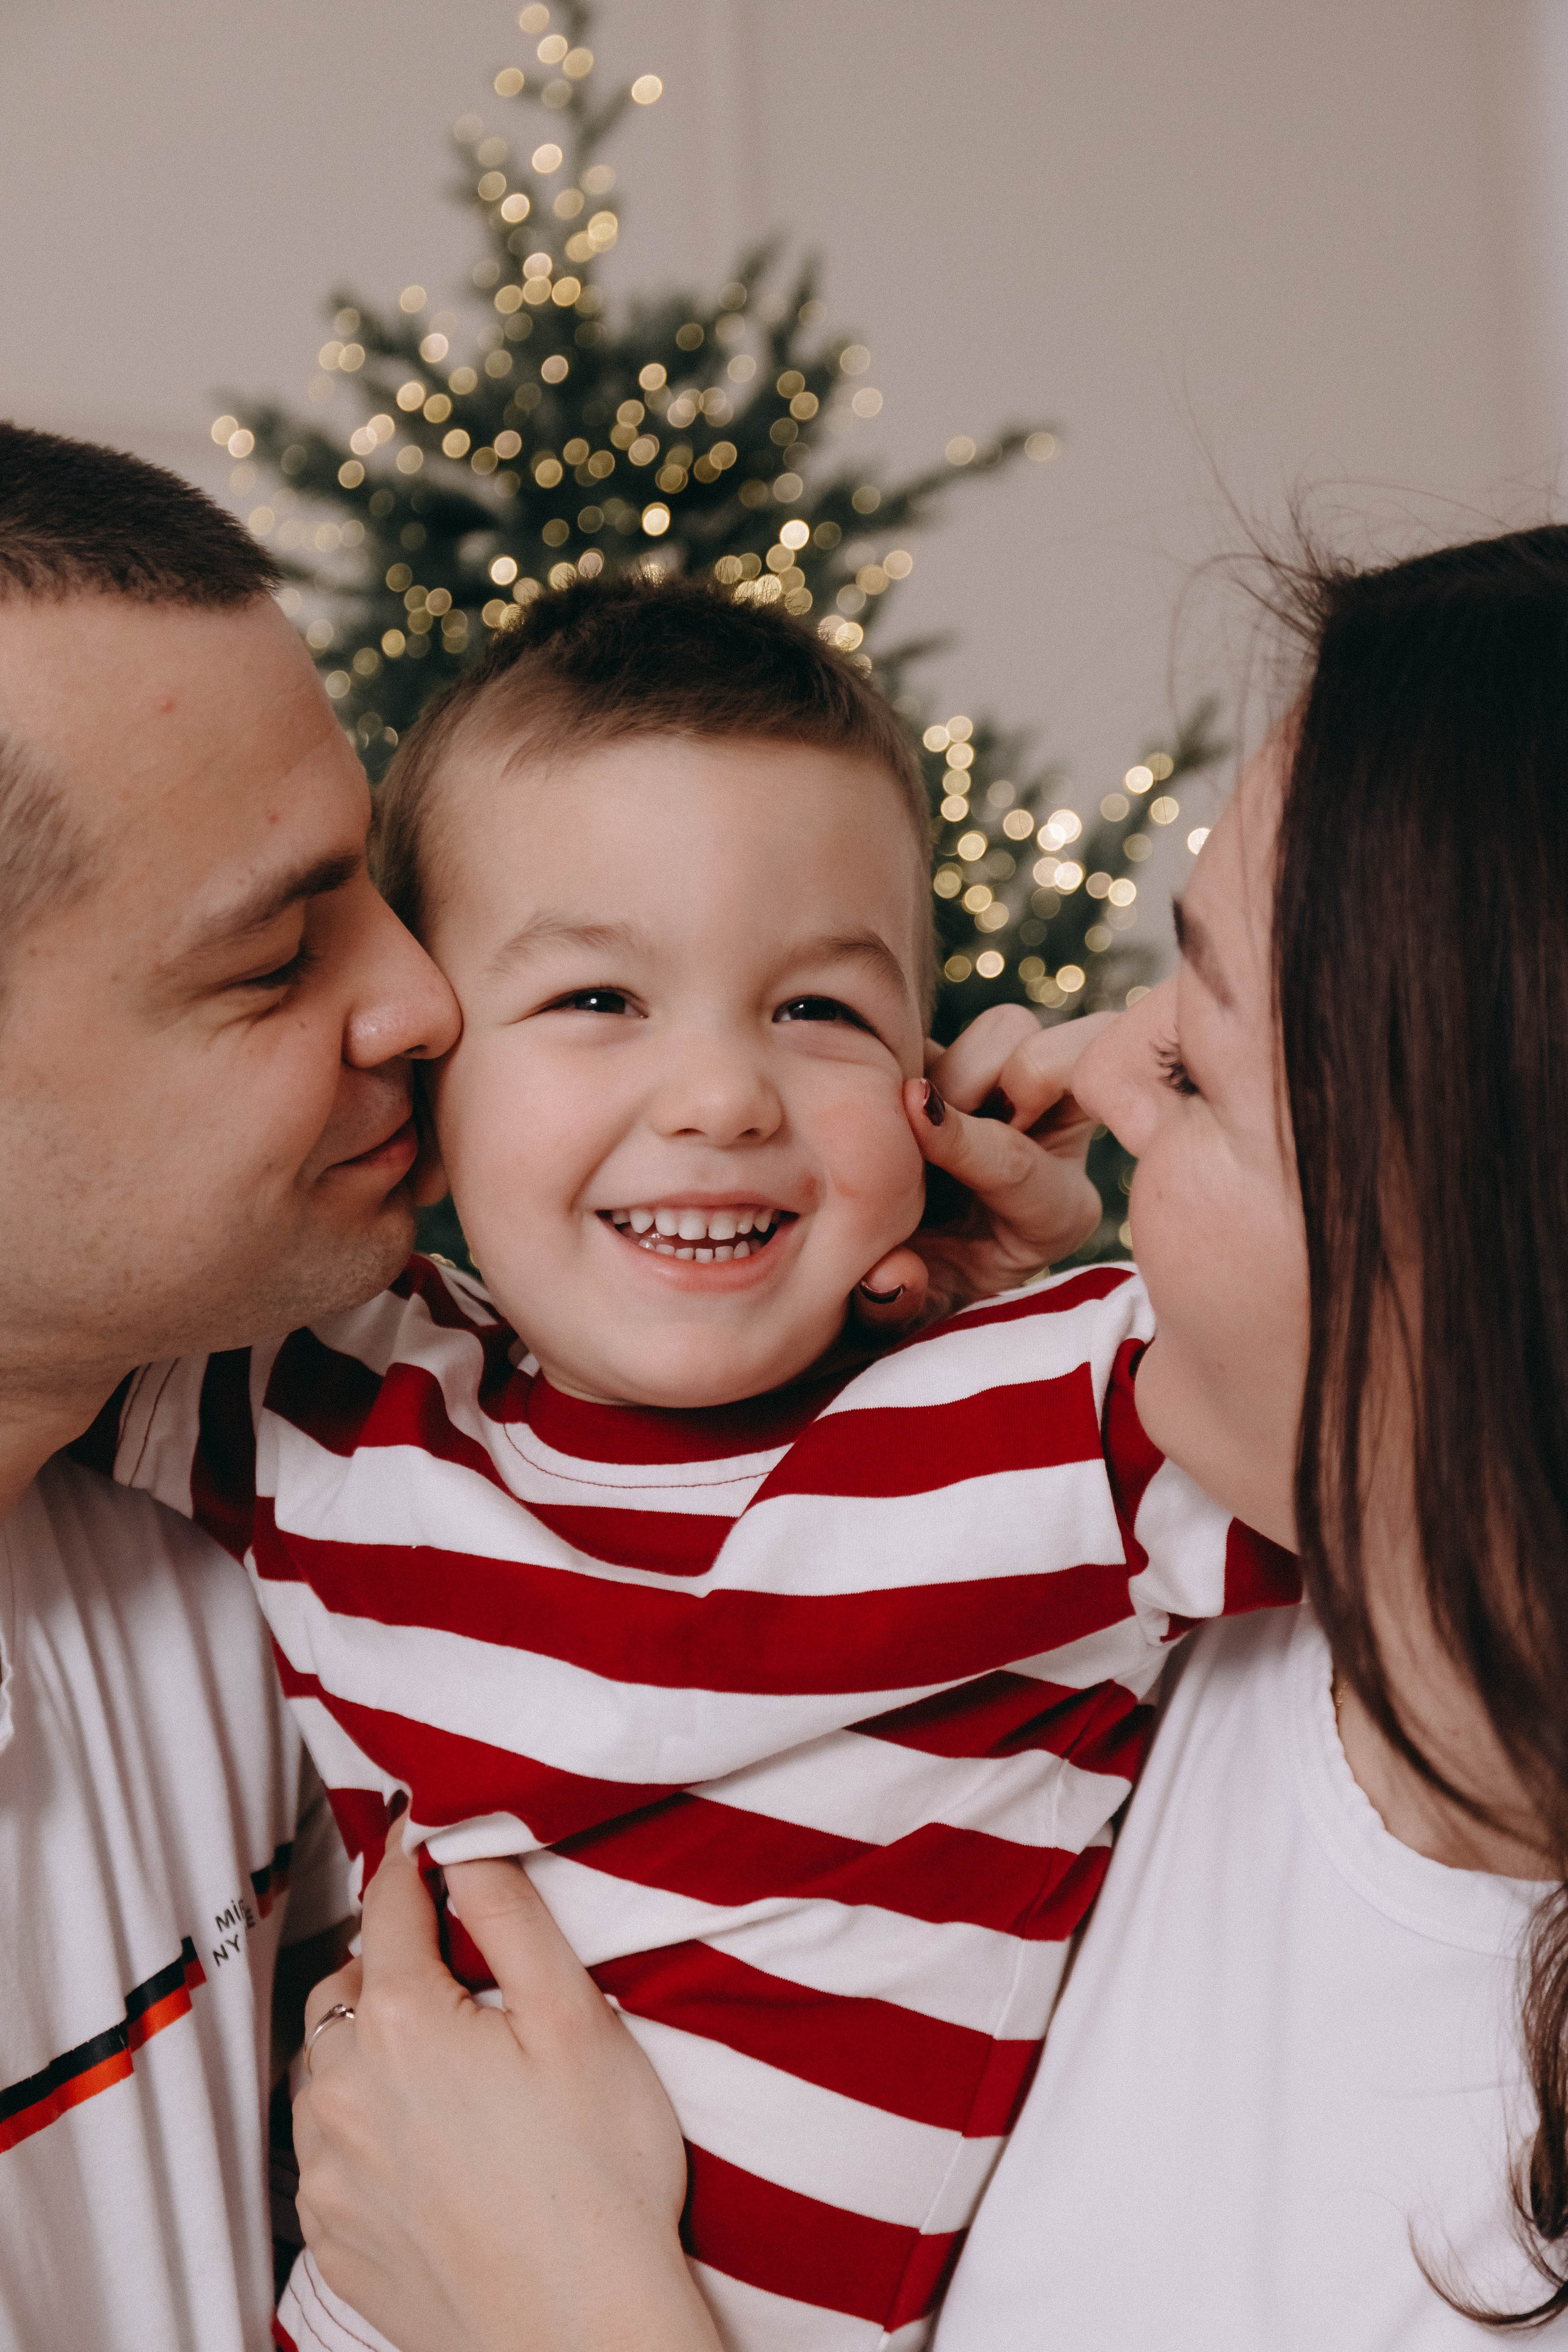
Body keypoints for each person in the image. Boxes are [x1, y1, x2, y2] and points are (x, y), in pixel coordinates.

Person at [290, 522, 1568, 2349]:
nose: (1072, 1072)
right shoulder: (360, 1410)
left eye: (1199, 1065)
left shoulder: (1101, 1486)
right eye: (596, 1001)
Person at [85, 574, 1295, 2352]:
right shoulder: (330, 1395)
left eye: (820, 1013)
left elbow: (1449, 1413)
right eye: (597, 997)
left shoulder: (1057, 1419)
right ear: (424, 1090)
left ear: (928, 1082)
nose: (723, 1094)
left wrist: (1123, 1179)